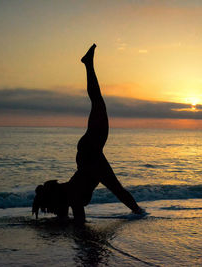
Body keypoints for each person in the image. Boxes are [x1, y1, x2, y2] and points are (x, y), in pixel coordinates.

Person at [32, 44, 144, 223]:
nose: (51, 211)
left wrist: (138, 212)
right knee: (98, 103)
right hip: (88, 156)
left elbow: (77, 224)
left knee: (98, 102)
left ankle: (88, 64)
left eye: (49, 208)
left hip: (89, 154)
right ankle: (88, 64)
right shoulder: (69, 199)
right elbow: (77, 222)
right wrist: (139, 213)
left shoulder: (69, 197)